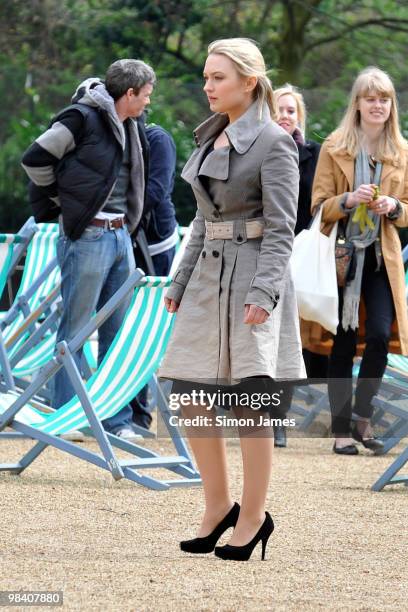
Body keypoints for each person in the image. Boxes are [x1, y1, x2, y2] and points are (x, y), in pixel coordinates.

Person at [158, 38, 305, 561]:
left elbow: (283, 229)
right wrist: (178, 282)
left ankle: (253, 516)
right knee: (190, 394)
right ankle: (217, 505)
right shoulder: (210, 138)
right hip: (205, 280)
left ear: (249, 81)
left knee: (250, 402)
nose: (207, 86)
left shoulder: (274, 142)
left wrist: (264, 292)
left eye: (218, 77)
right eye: (205, 77)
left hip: (252, 280)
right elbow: (203, 218)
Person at [21, 59, 156, 439]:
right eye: (145, 95)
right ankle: (65, 416)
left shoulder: (133, 125)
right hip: (87, 236)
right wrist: (64, 199)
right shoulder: (81, 118)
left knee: (118, 331)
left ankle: (113, 421)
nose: (148, 102)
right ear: (128, 94)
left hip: (120, 237)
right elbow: (36, 158)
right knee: (76, 329)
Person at [308, 66, 408, 455]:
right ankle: (340, 430)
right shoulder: (334, 147)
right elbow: (318, 208)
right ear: (358, 104)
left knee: (381, 336)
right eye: (371, 98)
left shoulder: (401, 151)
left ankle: (362, 420)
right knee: (343, 342)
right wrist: (347, 200)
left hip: (382, 259)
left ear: (391, 106)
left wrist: (395, 206)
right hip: (343, 259)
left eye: (384, 99)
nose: (378, 105)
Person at [272, 83, 327, 447]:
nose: (286, 115)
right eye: (280, 109)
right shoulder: (254, 149)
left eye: (292, 110)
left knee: (288, 340)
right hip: (262, 253)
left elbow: (321, 204)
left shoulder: (315, 154)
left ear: (300, 116)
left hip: (301, 254)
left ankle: (277, 418)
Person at [131, 122, 178, 430]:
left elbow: (157, 190)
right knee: (130, 330)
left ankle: (142, 414)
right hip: (127, 240)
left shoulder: (157, 138)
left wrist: (122, 217)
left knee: (149, 328)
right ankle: (133, 412)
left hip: (157, 246)